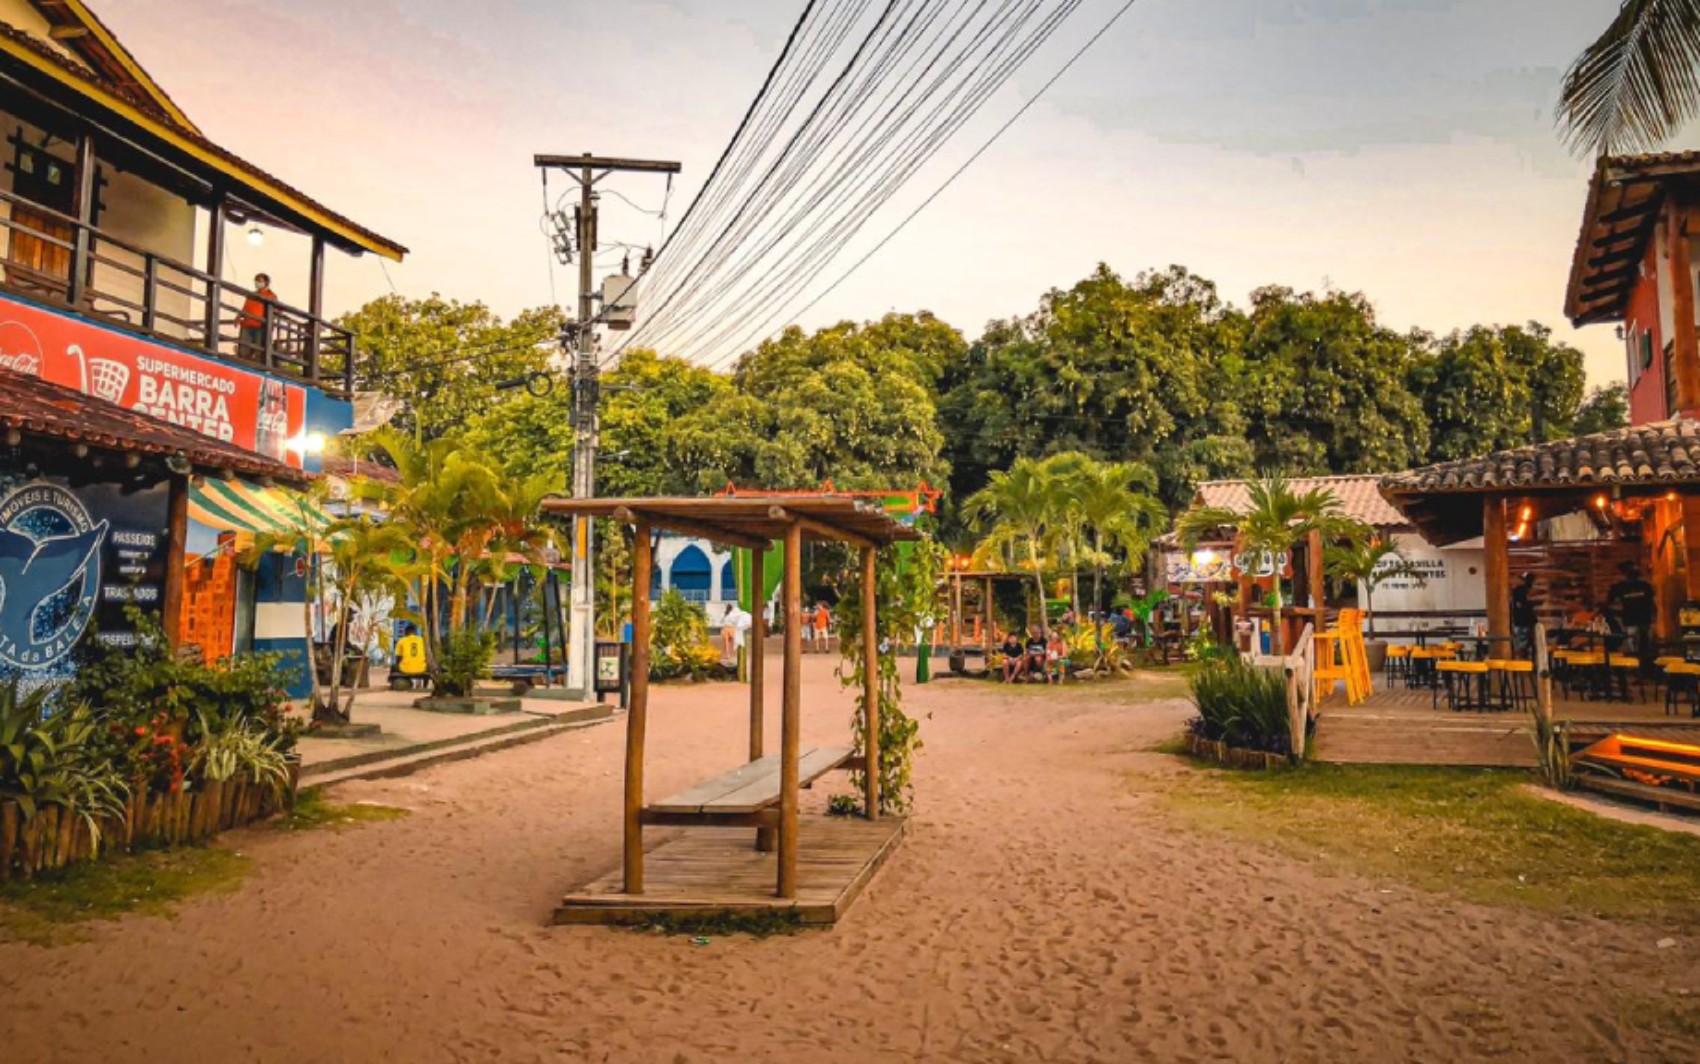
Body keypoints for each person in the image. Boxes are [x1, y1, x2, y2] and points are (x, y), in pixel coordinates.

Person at [1607, 560, 1656, 668]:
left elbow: (1610, 603)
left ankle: (1640, 671)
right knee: (1638, 647)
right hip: (1637, 620)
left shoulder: (1642, 586)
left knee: (1639, 648)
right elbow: (1610, 603)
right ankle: (1640, 671)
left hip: (1637, 620)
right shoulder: (1643, 585)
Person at [239, 273, 277, 357]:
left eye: (260, 281)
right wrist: (238, 317)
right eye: (256, 281)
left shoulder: (271, 296)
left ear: (266, 283)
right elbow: (245, 307)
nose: (257, 283)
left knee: (259, 349)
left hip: (261, 327)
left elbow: (276, 311)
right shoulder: (251, 295)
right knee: (244, 349)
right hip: (248, 324)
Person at [1511, 572, 1538, 657]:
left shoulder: (1521, 591)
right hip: (1522, 622)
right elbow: (1520, 606)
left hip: (1523, 622)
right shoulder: (1520, 591)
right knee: (1522, 645)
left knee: (1525, 645)